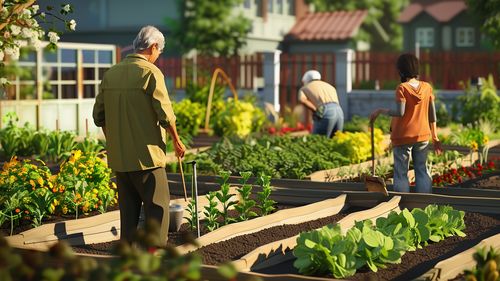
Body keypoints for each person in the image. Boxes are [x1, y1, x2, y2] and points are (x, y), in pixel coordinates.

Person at [93, 26, 186, 246]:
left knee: (128, 211)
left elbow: (98, 116)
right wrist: (177, 139)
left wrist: (114, 139)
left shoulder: (112, 73)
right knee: (158, 207)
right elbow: (165, 114)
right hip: (147, 157)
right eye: (159, 52)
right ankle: (153, 257)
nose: (157, 57)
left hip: (120, 158)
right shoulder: (150, 73)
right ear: (153, 47)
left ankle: (127, 253)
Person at [369, 53, 442, 193]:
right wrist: (435, 136)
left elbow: (400, 112)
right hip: (423, 136)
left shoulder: (402, 88)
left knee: (401, 173)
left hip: (402, 137)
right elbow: (432, 115)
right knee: (422, 170)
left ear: (401, 70)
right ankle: (424, 203)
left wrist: (380, 111)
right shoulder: (427, 87)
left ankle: (402, 205)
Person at [298, 70, 344, 138]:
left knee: (318, 140)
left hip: (325, 110)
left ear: (306, 79)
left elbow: (302, 100)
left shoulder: (304, 88)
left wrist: (315, 110)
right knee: (336, 140)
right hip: (339, 111)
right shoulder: (330, 86)